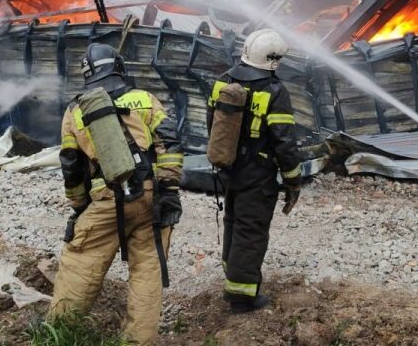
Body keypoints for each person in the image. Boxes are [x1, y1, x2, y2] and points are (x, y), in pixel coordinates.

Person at [49, 44, 183, 346]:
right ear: (119, 67)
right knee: (147, 269)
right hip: (150, 195)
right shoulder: (146, 100)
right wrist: (170, 192)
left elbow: (71, 164)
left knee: (81, 259)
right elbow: (170, 145)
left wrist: (80, 206)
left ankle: (59, 330)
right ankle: (138, 341)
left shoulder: (75, 111)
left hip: (107, 198)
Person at [208, 28, 302, 313]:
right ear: (273, 61)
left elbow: (213, 125)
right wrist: (293, 181)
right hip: (257, 174)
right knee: (252, 230)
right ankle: (242, 298)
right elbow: (283, 141)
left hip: (228, 168)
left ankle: (233, 273)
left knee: (233, 221)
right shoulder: (274, 91)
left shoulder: (223, 81)